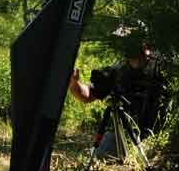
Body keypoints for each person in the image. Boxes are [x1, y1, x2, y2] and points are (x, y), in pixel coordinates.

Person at [69, 31, 165, 160]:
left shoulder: (161, 65)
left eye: (128, 41)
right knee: (102, 155)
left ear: (143, 43)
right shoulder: (118, 70)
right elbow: (87, 95)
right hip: (126, 134)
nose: (123, 45)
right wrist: (73, 81)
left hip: (159, 138)